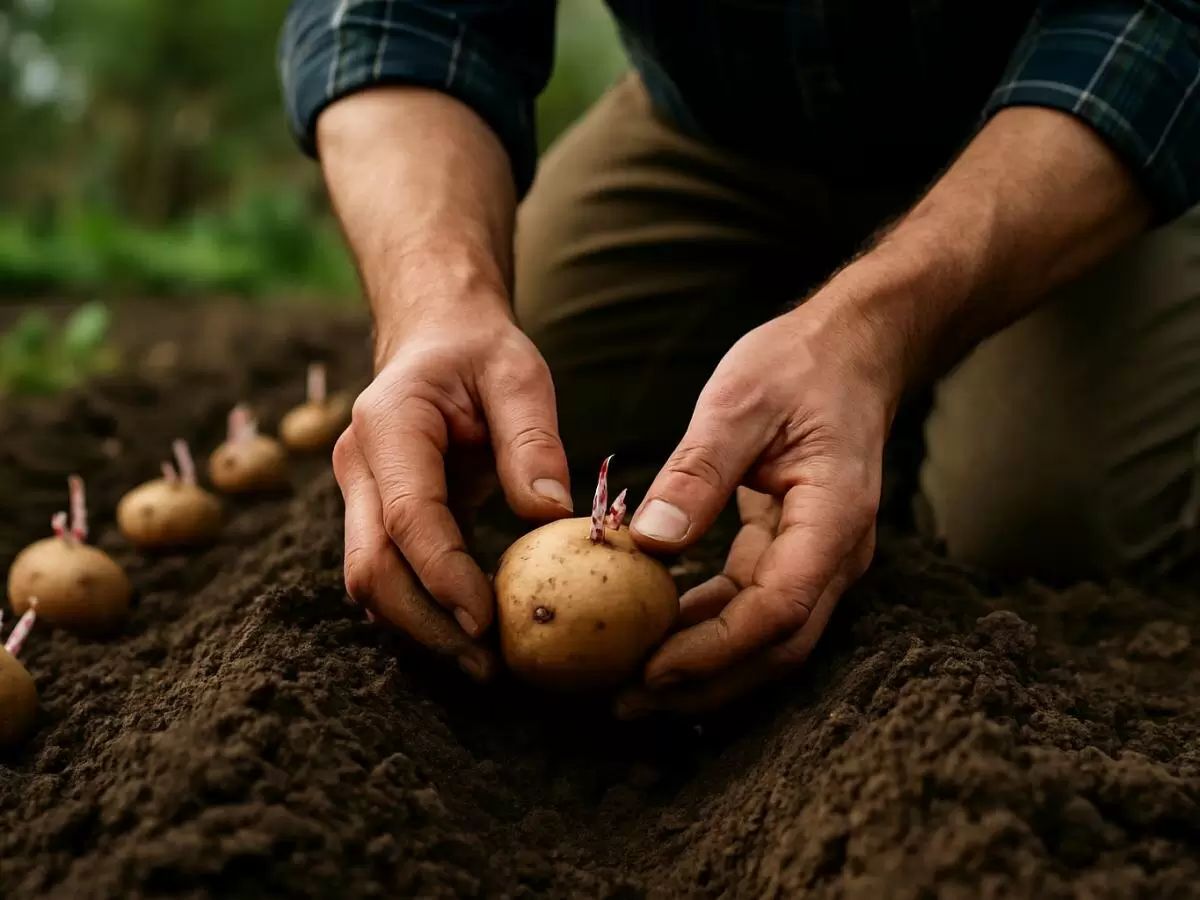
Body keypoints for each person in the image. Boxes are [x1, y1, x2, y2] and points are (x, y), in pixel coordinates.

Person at [278, 1, 1200, 718]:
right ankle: (847, 379)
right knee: (512, 418)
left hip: (1062, 126)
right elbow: (396, 19)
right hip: (716, 124)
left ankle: (902, 382)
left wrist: (873, 332)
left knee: (1041, 514)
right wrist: (437, 304)